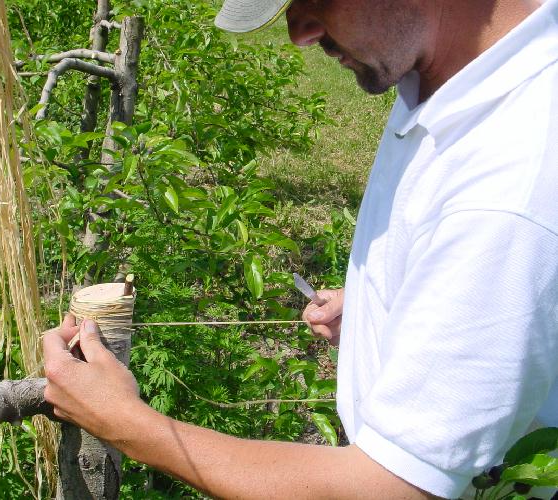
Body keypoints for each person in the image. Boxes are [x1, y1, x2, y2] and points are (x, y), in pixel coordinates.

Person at [43, 0, 558, 498]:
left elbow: (388, 489)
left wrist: (123, 421)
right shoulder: (451, 76)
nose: (300, 33)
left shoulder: (510, 179)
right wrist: (393, 307)